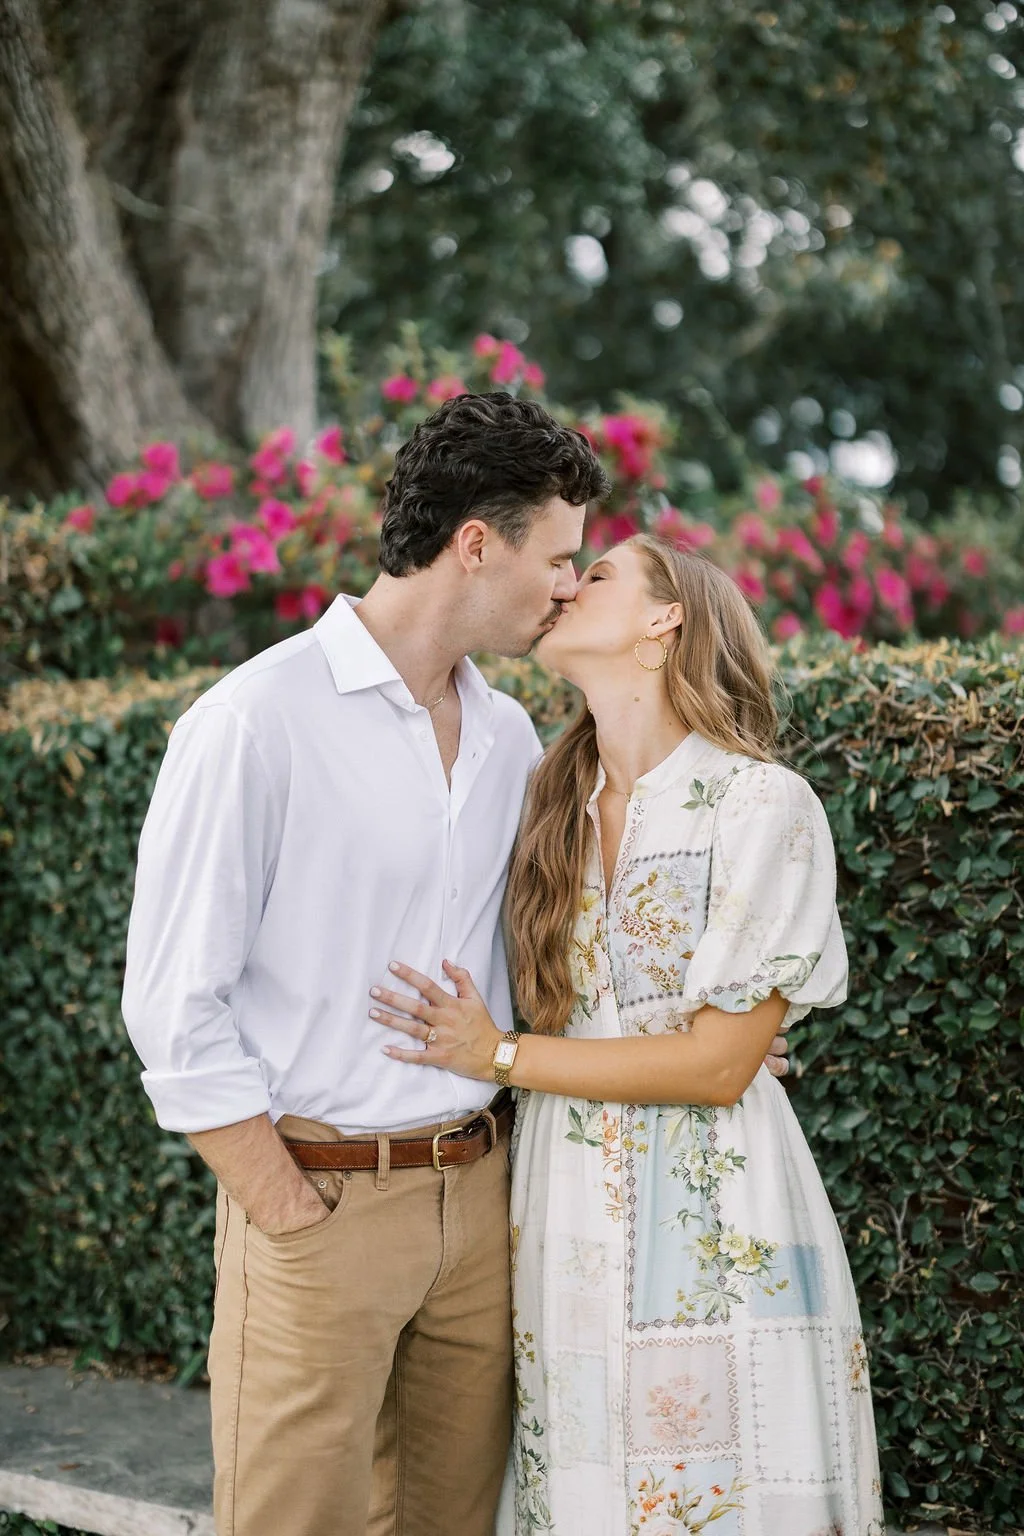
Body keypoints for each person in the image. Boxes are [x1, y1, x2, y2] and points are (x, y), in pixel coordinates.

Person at [371, 533, 885, 1536]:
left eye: (597, 573)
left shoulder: (757, 803)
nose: (566, 584)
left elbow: (718, 1067)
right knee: (586, 1477)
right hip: (560, 1199)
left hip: (719, 1200)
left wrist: (498, 1054)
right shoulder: (542, 800)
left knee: (730, 1484)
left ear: (665, 618)